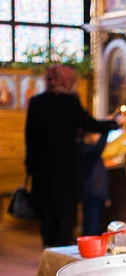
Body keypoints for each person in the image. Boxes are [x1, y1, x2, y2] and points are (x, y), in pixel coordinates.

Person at [25, 65, 120, 248]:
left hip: (42, 171)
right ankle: (60, 251)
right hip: (65, 170)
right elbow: (89, 123)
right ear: (67, 81)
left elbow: (29, 137)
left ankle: (49, 248)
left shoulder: (36, 102)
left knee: (47, 214)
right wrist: (111, 124)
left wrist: (30, 165)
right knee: (64, 214)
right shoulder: (69, 102)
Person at [79, 132, 109, 236]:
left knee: (96, 222)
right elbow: (99, 148)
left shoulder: (90, 151)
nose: (98, 137)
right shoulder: (85, 149)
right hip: (92, 192)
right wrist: (107, 131)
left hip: (98, 192)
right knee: (92, 223)